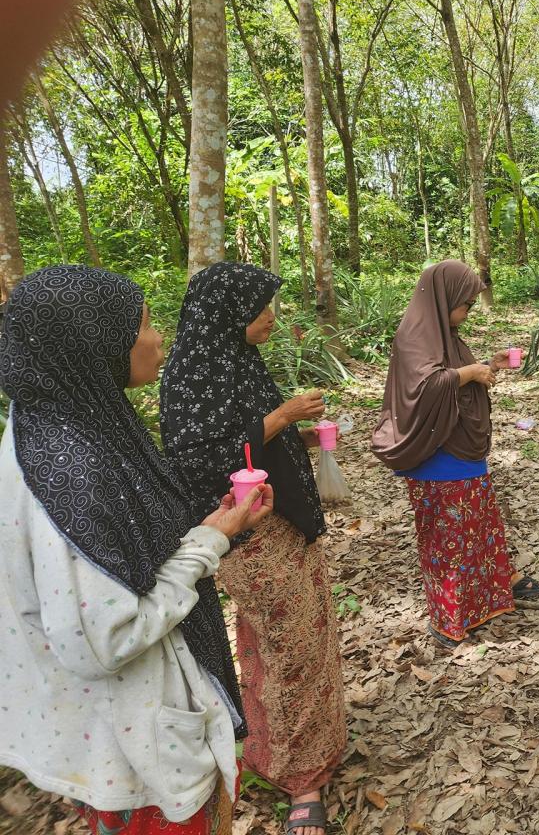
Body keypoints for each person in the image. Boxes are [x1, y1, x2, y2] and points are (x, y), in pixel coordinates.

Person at [0, 264, 273, 835]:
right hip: (136, 743)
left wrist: (207, 526)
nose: (156, 339)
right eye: (144, 325)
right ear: (96, 344)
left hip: (118, 730)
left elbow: (115, 555)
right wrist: (209, 542)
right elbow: (104, 638)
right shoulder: (69, 469)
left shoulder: (61, 420)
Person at [160, 262, 345, 835]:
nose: (270, 317)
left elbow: (248, 433)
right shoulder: (191, 373)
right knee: (287, 646)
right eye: (261, 307)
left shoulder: (237, 360)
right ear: (229, 314)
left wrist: (297, 433)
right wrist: (283, 415)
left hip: (283, 522)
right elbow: (202, 456)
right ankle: (299, 779)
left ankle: (296, 746)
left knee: (302, 639)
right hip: (250, 535)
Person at [372, 260, 539, 651]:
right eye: (464, 304)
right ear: (443, 298)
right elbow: (426, 386)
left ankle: (485, 600)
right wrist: (470, 374)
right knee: (447, 539)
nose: (467, 313)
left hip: (462, 450)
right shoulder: (414, 336)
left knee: (477, 528)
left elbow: (451, 373)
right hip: (435, 456)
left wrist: (488, 366)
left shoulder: (446, 332)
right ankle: (447, 617)